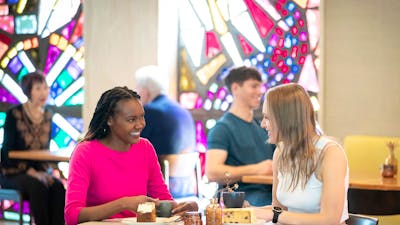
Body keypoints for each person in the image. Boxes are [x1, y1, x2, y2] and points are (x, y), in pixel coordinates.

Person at [64, 86, 198, 225]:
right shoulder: (85, 152)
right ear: (110, 120)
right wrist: (124, 204)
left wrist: (185, 208)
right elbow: (72, 215)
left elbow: (163, 200)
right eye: (131, 119)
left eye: (142, 117)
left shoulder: (145, 148)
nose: (140, 125)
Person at [255, 83, 348, 224]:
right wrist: (248, 211)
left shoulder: (331, 153)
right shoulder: (280, 153)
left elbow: (330, 219)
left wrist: (273, 215)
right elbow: (278, 209)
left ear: (286, 119)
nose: (262, 124)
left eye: (267, 117)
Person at [0, 71, 65, 225]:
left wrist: (43, 172)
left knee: (57, 187)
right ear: (28, 91)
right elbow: (7, 152)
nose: (43, 93)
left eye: (45, 88)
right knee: (38, 187)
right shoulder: (14, 114)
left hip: (39, 171)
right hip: (12, 172)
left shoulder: (48, 115)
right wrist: (33, 173)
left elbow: (44, 153)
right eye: (38, 88)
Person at [206, 66, 275, 206]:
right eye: (254, 86)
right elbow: (212, 172)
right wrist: (257, 169)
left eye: (261, 86)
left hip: (271, 192)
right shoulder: (222, 129)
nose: (260, 91)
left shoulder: (262, 127)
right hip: (244, 196)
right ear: (235, 88)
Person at [135, 65, 197, 198]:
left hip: (160, 190)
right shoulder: (183, 111)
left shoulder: (150, 112)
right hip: (185, 186)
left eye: (137, 90)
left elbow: (134, 148)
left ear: (144, 91)